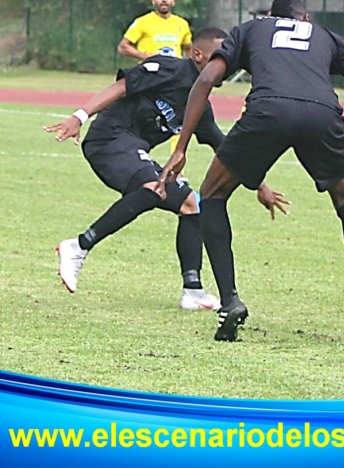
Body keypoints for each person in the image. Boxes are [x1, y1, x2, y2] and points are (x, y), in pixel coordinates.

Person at [157, 0, 344, 342]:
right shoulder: (324, 34)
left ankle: (230, 302)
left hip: (268, 111)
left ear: (270, 16)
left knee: (212, 194)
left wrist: (181, 148)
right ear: (305, 17)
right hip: (323, 113)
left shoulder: (252, 29)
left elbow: (207, 78)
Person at [45, 28, 287, 311]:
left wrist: (261, 186)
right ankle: (78, 246)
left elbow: (224, 148)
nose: (227, 64)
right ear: (197, 55)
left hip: (132, 149)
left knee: (192, 204)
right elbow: (122, 86)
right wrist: (79, 116)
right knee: (153, 188)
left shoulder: (200, 107)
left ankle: (193, 290)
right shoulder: (169, 68)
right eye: (220, 56)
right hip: (108, 140)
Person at [118, 0, 194, 166]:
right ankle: (133, 153)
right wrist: (145, 56)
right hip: (149, 79)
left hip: (174, 79)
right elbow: (123, 47)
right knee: (143, 116)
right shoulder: (143, 22)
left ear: (173, 0)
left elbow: (189, 47)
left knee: (179, 119)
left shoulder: (181, 24)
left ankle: (177, 166)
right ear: (153, 0)